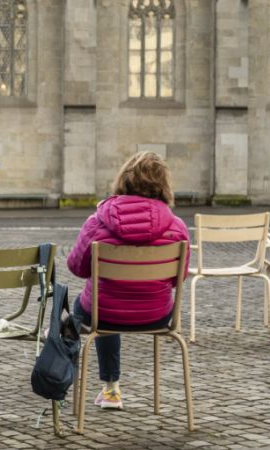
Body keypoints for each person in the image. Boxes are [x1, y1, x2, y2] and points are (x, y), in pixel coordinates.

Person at [66, 151, 189, 410]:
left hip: (103, 314)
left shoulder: (97, 221)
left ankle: (111, 389)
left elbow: (76, 267)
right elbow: (178, 279)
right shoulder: (177, 227)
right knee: (104, 301)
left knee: (91, 305)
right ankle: (110, 390)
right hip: (156, 315)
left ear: (123, 179)